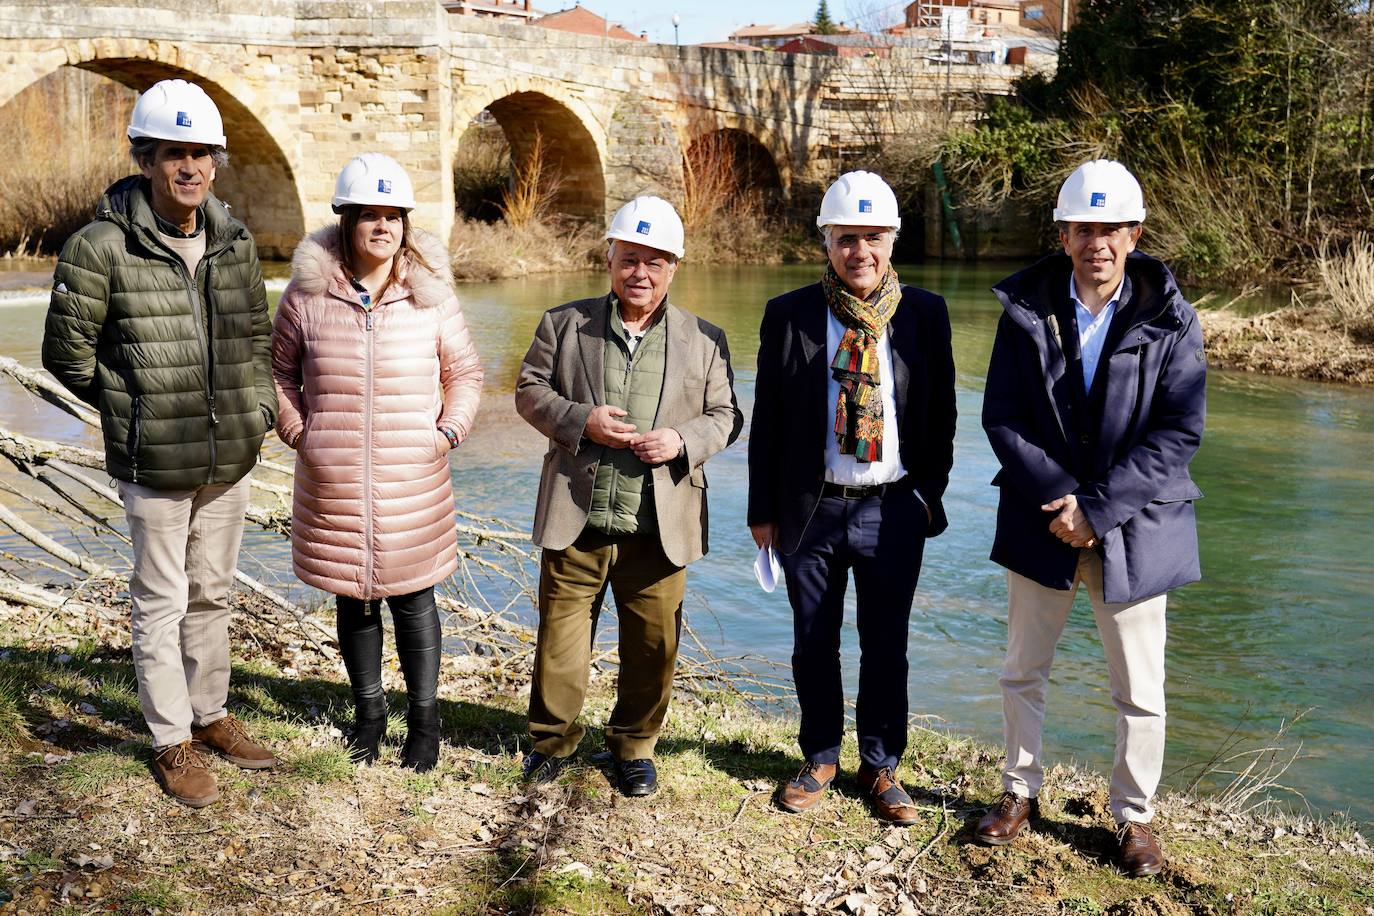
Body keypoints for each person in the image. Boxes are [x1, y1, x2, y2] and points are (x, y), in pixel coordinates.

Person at [42, 79, 279, 807]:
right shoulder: (99, 247)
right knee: (160, 598)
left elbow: (254, 337)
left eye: (201, 153)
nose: (190, 168)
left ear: (215, 160)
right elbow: (66, 354)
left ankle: (210, 717)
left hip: (229, 456)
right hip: (154, 462)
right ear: (145, 158)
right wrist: (129, 409)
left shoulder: (234, 240)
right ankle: (170, 740)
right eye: (174, 153)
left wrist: (260, 408)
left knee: (211, 593)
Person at [976, 159, 1206, 877]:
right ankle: (1019, 791)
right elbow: (1001, 416)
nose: (1096, 242)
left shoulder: (1173, 318)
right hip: (1043, 520)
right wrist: (1063, 504)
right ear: (1063, 233)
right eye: (1083, 228)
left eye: (1110, 228)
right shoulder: (1025, 309)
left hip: (1136, 528)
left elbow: (1179, 431)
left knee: (1140, 689)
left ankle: (1134, 819)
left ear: (1135, 234)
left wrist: (1099, 510)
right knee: (1023, 670)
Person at [514, 196, 743, 796]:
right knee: (561, 638)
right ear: (610, 257)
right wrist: (578, 420)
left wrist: (682, 439)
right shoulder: (562, 324)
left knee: (652, 642)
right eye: (629, 258)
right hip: (577, 507)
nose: (640, 272)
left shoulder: (705, 338)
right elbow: (528, 390)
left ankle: (635, 745)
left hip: (659, 518)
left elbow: (726, 416)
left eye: (656, 262)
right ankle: (551, 741)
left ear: (674, 267)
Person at [747, 171, 956, 825]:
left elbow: (942, 416)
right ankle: (819, 757)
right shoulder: (790, 315)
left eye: (872, 237)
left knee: (885, 642)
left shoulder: (924, 315)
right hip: (810, 507)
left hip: (892, 507)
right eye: (845, 239)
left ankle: (881, 765)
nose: (859, 251)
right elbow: (770, 419)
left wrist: (927, 494)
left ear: (892, 239)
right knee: (813, 640)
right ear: (826, 243)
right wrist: (762, 510)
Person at [271, 153, 482, 773]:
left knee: (415, 603)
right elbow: (279, 372)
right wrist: (299, 431)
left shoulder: (431, 297)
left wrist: (447, 433)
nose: (382, 227)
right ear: (346, 221)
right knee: (354, 602)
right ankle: (368, 716)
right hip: (333, 479)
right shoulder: (306, 296)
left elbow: (465, 374)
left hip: (412, 479)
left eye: (393, 216)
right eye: (370, 215)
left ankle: (424, 720)